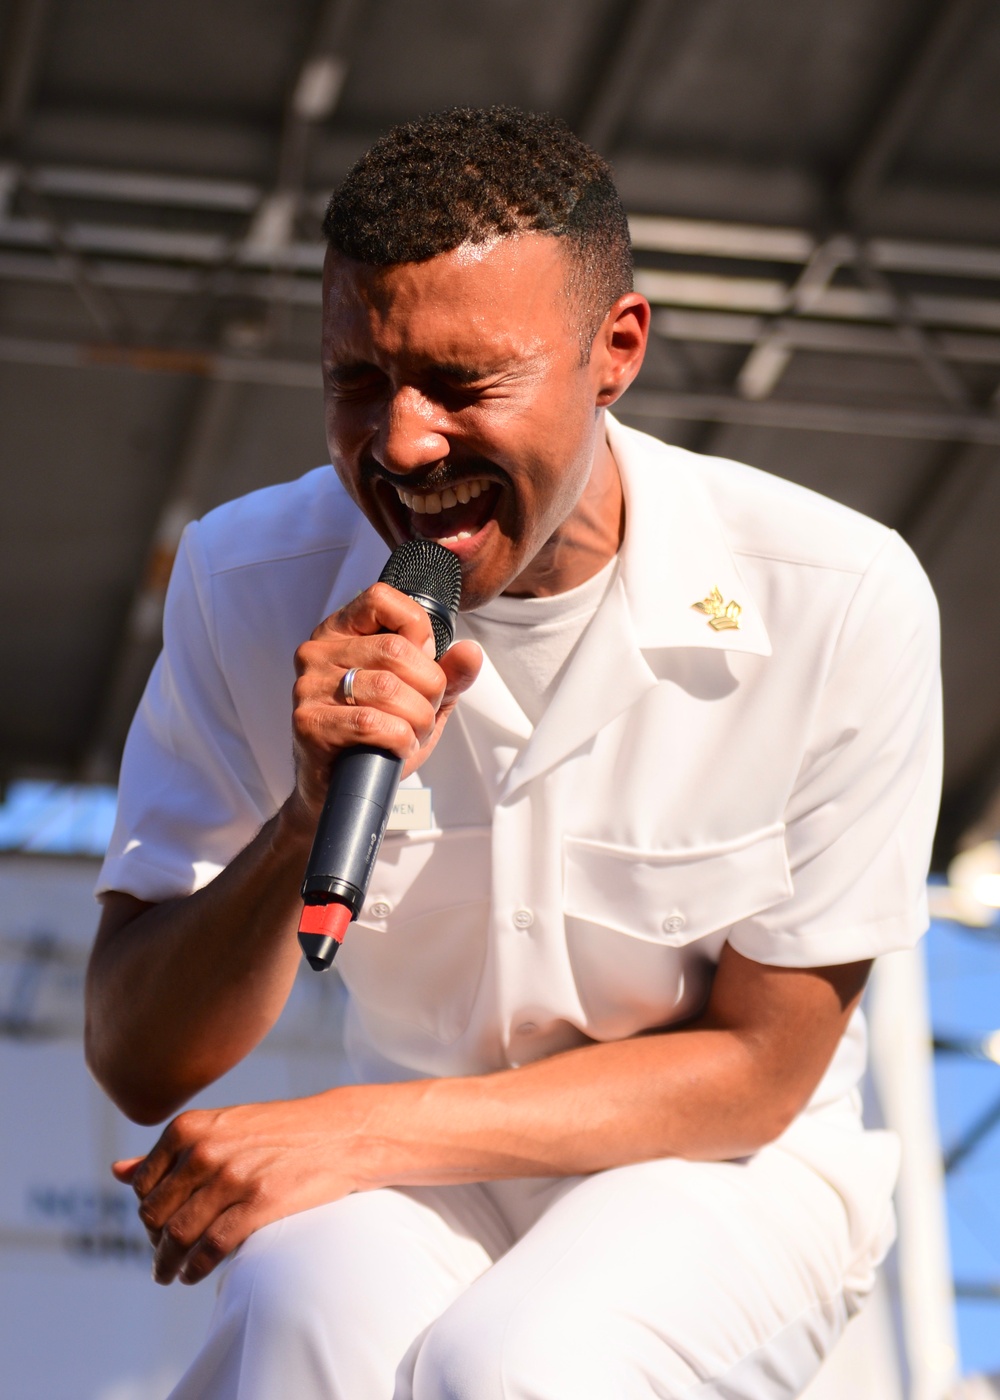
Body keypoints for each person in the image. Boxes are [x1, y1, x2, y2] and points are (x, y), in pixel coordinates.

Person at [85, 107, 942, 1400]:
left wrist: (353, 1128)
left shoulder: (834, 594)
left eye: (463, 384)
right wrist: (301, 817)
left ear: (618, 350)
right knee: (304, 1295)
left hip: (726, 1170)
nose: (403, 443)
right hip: (428, 1167)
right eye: (357, 382)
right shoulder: (246, 578)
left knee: (526, 1365)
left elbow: (762, 1073)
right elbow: (140, 1054)